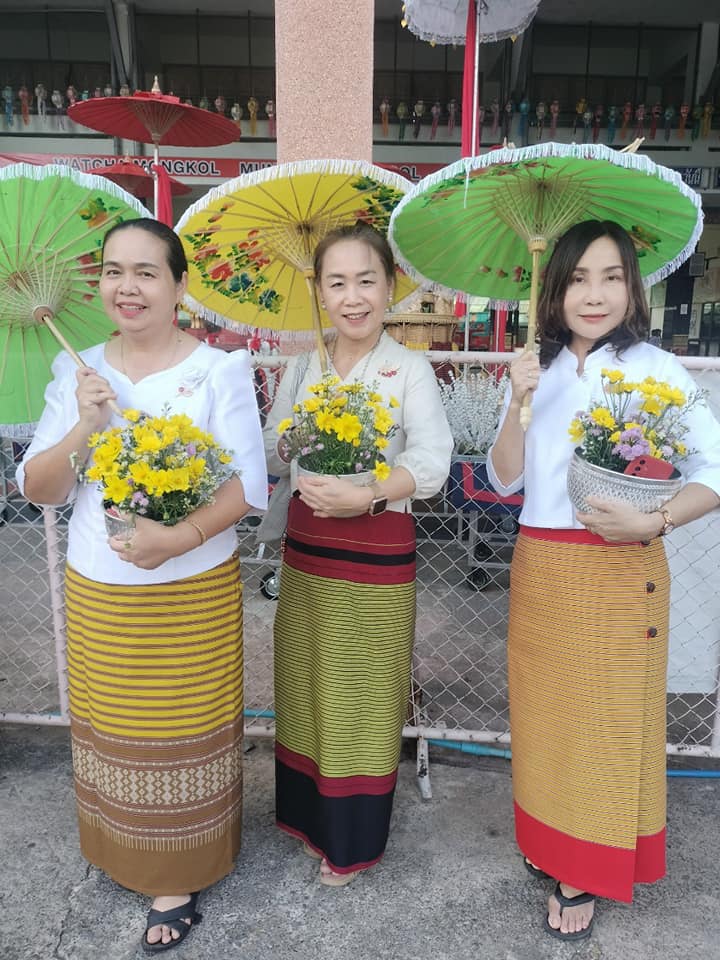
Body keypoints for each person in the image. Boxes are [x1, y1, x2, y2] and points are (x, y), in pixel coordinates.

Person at [17, 218, 267, 952]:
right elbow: (40, 489)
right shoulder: (79, 370)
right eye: (113, 271)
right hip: (100, 591)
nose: (127, 287)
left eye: (147, 272)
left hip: (192, 593)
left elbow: (247, 487)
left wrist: (176, 538)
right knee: (114, 732)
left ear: (179, 286)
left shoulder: (217, 370)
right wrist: (83, 426)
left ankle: (178, 873)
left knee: (183, 734)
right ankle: (118, 847)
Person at [487, 219, 720, 942]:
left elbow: (713, 472)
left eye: (611, 278)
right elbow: (503, 478)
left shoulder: (658, 370)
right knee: (544, 720)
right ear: (554, 289)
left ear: (632, 288)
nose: (594, 295)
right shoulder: (534, 369)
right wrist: (517, 400)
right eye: (579, 279)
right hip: (541, 566)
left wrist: (656, 521)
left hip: (621, 568)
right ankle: (551, 842)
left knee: (603, 724)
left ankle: (582, 869)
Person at [263, 223, 453, 887]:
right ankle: (307, 820)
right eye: (337, 282)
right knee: (306, 684)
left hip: (375, 551)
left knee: (363, 696)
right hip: (307, 548)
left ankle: (350, 842)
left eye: (366, 281)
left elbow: (431, 463)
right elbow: (273, 450)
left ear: (390, 287)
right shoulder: (302, 366)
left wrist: (369, 493)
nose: (352, 297)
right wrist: (296, 437)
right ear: (319, 292)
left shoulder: (409, 368)